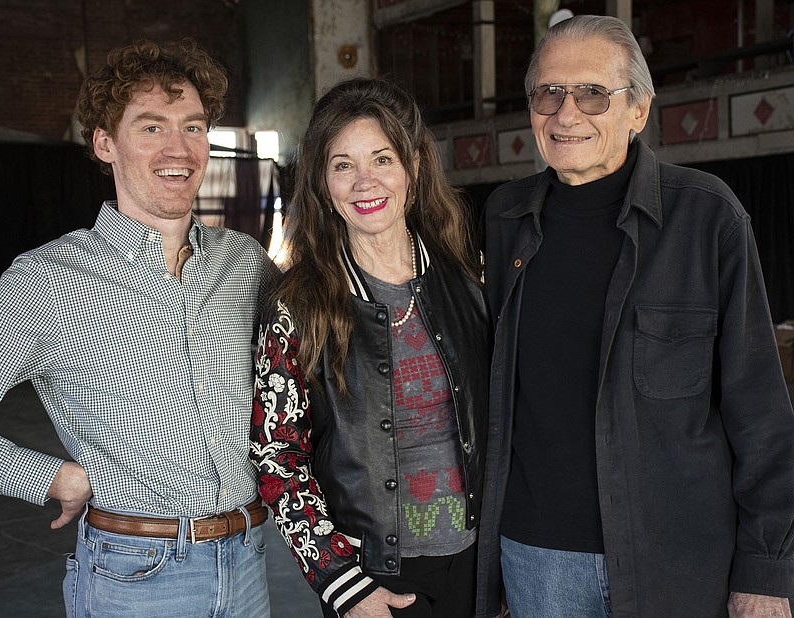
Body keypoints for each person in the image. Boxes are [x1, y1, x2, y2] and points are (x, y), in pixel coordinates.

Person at [476, 14, 794, 618]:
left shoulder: (708, 218)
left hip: (678, 558)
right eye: (549, 92)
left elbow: (761, 415)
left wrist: (766, 573)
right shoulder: (505, 217)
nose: (566, 113)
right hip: (539, 560)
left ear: (638, 111)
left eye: (593, 93)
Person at [0, 39, 274, 618]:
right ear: (104, 143)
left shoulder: (245, 263)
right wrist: (46, 477)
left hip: (249, 564)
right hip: (133, 577)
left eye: (193, 127)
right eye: (151, 128)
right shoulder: (45, 281)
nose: (179, 148)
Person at [249, 77, 489, 617]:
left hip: (479, 568)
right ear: (321, 183)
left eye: (382, 159)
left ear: (414, 167)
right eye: (342, 165)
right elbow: (279, 457)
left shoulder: (469, 279)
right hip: (374, 579)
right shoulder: (298, 306)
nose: (365, 182)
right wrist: (341, 583)